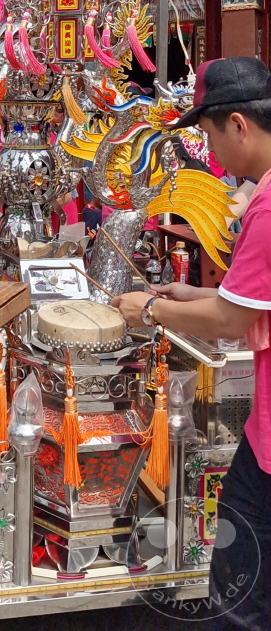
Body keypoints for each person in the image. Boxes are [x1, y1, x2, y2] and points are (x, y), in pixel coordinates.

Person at [110, 57, 271, 630]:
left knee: (241, 594)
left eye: (207, 135)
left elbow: (230, 320)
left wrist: (150, 310)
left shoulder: (268, 204)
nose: (211, 153)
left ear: (238, 126)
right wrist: (184, 297)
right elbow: (250, 302)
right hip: (262, 435)